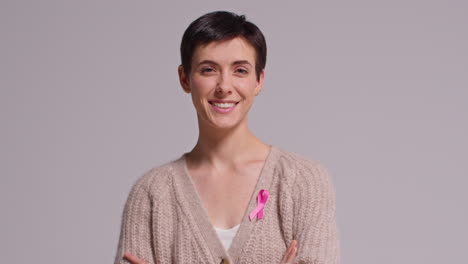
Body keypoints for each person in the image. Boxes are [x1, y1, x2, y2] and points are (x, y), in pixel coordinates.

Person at [114, 10, 340, 264]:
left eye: (240, 71)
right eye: (208, 69)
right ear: (185, 78)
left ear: (259, 80)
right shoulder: (151, 194)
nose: (224, 86)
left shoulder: (304, 182)